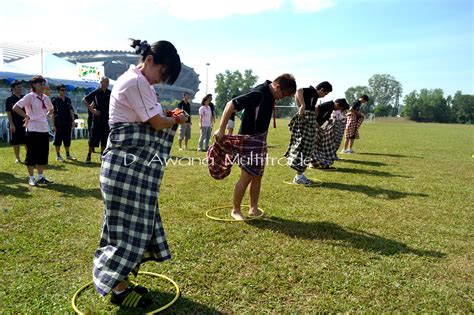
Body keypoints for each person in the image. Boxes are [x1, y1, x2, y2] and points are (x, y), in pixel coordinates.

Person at [92, 38, 186, 309]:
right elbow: (156, 123)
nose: (160, 80)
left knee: (128, 226)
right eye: (162, 73)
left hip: (125, 168)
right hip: (124, 169)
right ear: (149, 61)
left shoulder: (138, 81)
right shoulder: (136, 82)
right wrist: (176, 119)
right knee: (125, 231)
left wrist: (168, 115)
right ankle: (118, 289)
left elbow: (151, 116)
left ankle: (121, 282)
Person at [210, 74, 296, 220]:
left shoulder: (270, 94)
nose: (282, 98)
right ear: (277, 86)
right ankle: (236, 211)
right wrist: (222, 128)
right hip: (249, 140)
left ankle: (253, 208)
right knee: (247, 176)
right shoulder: (260, 93)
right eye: (283, 94)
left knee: (257, 176)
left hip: (260, 139)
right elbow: (231, 104)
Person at [284, 81, 332, 185]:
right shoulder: (312, 91)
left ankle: (299, 175)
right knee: (305, 148)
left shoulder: (314, 95)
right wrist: (302, 105)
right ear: (322, 90)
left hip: (308, 121)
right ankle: (299, 177)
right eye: (325, 94)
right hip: (306, 122)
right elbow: (299, 91)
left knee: (307, 149)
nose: (324, 96)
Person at [12, 76, 54, 186]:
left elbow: (51, 109)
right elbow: (16, 107)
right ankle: (31, 178)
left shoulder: (45, 97)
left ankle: (40, 177)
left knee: (43, 154)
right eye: (40, 83)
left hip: (44, 129)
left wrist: (48, 115)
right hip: (32, 129)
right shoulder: (29, 96)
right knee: (31, 154)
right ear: (34, 85)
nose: (42, 85)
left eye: (43, 83)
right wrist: (26, 116)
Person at [310, 98, 350, 168]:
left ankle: (314, 162)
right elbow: (316, 108)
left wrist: (328, 120)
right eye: (340, 108)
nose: (339, 110)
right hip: (314, 126)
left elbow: (325, 116)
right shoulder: (329, 105)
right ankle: (312, 162)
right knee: (314, 145)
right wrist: (314, 120)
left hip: (318, 127)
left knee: (317, 145)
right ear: (337, 104)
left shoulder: (331, 107)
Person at [83, 76, 111, 163]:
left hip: (106, 119)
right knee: (93, 138)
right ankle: (89, 156)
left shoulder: (110, 93)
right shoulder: (96, 92)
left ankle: (102, 156)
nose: (107, 84)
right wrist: (92, 111)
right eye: (105, 82)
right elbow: (85, 100)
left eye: (108, 82)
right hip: (97, 119)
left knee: (105, 138)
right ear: (101, 82)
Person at [52, 84, 76, 161]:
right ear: (58, 91)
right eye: (62, 90)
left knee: (67, 140)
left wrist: (73, 121)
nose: (64, 91)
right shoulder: (54, 101)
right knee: (58, 141)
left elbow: (71, 111)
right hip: (58, 123)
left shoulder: (68, 100)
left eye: (64, 90)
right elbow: (52, 114)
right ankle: (58, 156)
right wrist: (53, 125)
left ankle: (68, 155)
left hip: (67, 123)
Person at [5, 80, 25, 163]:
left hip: (25, 122)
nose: (20, 88)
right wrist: (12, 124)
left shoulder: (24, 97)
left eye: (21, 87)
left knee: (27, 141)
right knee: (16, 142)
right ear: (13, 88)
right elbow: (9, 113)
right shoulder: (9, 99)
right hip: (15, 123)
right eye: (18, 87)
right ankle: (17, 158)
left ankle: (29, 157)